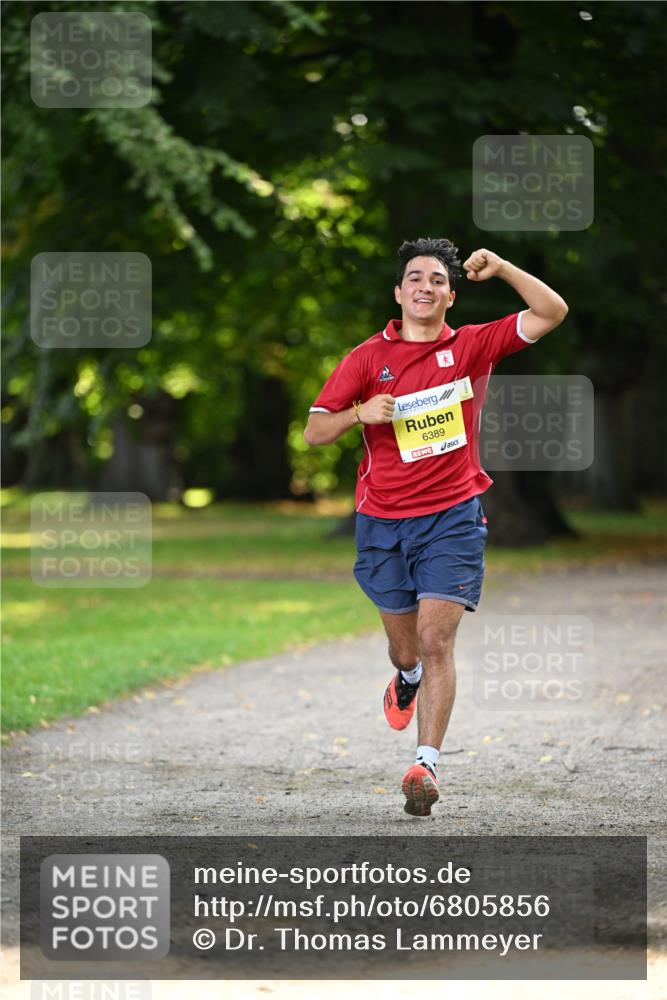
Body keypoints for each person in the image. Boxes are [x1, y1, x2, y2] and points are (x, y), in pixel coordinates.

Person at [304, 238, 568, 816]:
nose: (426, 286)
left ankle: (425, 764)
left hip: (452, 516)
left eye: (437, 280)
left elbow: (552, 312)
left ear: (451, 294)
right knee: (406, 649)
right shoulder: (367, 358)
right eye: (415, 278)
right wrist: (359, 413)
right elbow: (314, 432)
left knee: (436, 638)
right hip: (382, 521)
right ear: (399, 293)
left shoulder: (472, 345)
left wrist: (500, 268)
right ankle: (407, 676)